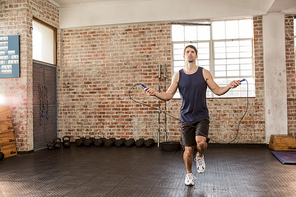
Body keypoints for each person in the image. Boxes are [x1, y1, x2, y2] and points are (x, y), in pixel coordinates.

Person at [144, 45, 241, 186]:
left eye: (192, 52)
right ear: (184, 56)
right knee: (188, 149)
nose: (190, 54)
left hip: (201, 115)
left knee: (201, 143)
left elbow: (218, 90)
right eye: (187, 52)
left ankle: (200, 156)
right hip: (185, 117)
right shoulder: (178, 75)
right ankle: (189, 174)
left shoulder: (204, 73)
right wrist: (155, 93)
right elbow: (169, 95)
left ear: (196, 55)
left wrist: (229, 86)